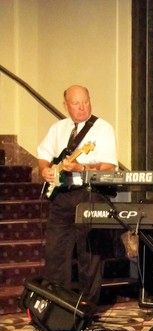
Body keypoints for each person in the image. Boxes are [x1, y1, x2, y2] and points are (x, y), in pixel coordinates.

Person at [37, 85, 118, 302]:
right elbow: (43, 154)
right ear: (66, 105)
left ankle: (87, 304)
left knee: (89, 254)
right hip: (62, 195)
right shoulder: (58, 128)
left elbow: (109, 168)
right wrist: (44, 169)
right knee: (55, 251)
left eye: (86, 101)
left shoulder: (103, 129)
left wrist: (81, 168)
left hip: (89, 193)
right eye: (76, 103)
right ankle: (56, 303)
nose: (82, 107)